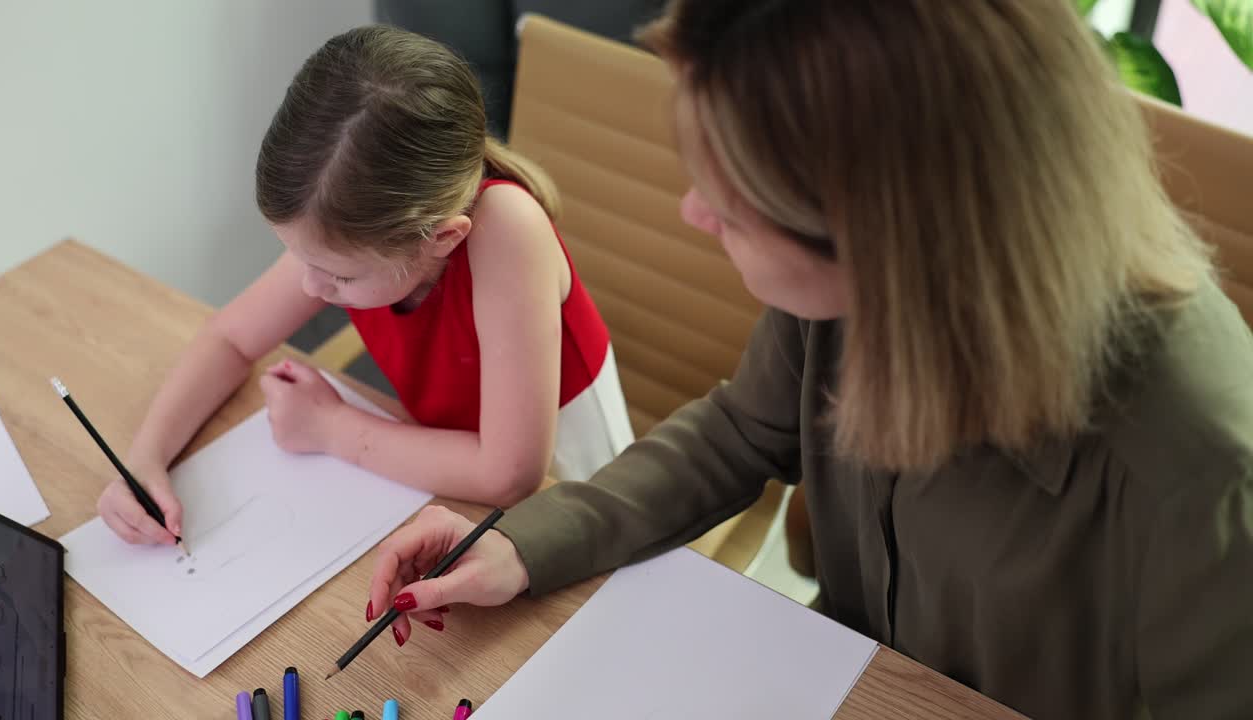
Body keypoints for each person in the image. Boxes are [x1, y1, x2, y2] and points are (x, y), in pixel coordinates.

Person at [361, 1, 1253, 717]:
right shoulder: (855, 291)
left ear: (890, 241)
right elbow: (739, 434)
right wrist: (521, 548)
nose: (692, 214)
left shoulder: (1201, 463)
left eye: (734, 207)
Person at [96, 26, 633, 547]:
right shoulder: (355, 231)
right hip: (444, 465)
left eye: (339, 276)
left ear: (442, 238)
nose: (310, 285)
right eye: (298, 257)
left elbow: (510, 474)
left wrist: (331, 429)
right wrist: (146, 457)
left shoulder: (508, 232)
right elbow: (231, 338)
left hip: (573, 494)